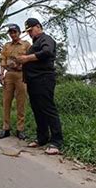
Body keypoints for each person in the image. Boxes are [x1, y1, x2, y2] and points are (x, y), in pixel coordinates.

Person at [15, 18, 64, 155]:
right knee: (37, 110)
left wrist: (27, 58)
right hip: (32, 81)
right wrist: (20, 63)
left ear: (38, 26)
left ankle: (56, 141)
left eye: (31, 30)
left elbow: (47, 52)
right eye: (28, 32)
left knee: (48, 109)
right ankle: (42, 137)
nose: (30, 34)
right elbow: (30, 60)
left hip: (44, 79)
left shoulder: (46, 39)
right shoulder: (33, 45)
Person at [0, 24, 30, 140]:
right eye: (11, 33)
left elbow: (30, 59)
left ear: (19, 32)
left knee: (21, 102)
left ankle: (20, 129)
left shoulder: (26, 44)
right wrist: (1, 74)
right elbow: (3, 60)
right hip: (9, 74)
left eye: (15, 32)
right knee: (6, 102)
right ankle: (6, 128)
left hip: (21, 75)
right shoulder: (6, 46)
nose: (13, 34)